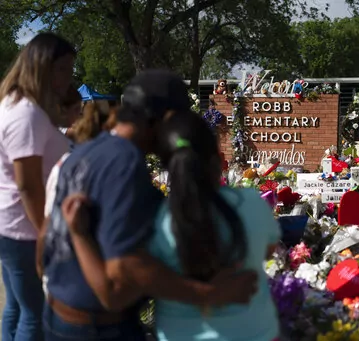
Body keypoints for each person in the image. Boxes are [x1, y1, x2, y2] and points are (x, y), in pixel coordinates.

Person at [41, 70, 259, 341]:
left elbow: (45, 239)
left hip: (58, 314)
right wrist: (210, 295)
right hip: (97, 328)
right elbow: (123, 273)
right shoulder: (125, 162)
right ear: (164, 118)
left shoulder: (85, 150)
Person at [63, 112, 281, 340]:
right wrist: (212, 291)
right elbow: (268, 250)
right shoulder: (253, 203)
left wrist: (79, 234)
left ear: (169, 167)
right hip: (256, 332)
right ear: (219, 158)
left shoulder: (160, 219)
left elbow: (125, 283)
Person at [0, 32, 75, 341]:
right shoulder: (26, 114)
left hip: (13, 227)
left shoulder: (14, 103)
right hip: (26, 232)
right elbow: (28, 184)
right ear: (42, 67)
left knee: (16, 309)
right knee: (36, 315)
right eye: (63, 68)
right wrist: (45, 231)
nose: (69, 77)